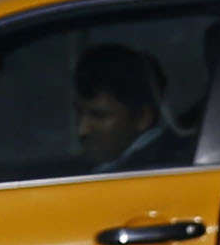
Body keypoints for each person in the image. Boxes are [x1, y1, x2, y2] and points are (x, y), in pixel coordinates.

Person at [72, 41, 190, 172]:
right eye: (79, 113)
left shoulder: (154, 171)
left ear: (142, 117)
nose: (82, 131)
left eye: (99, 115)